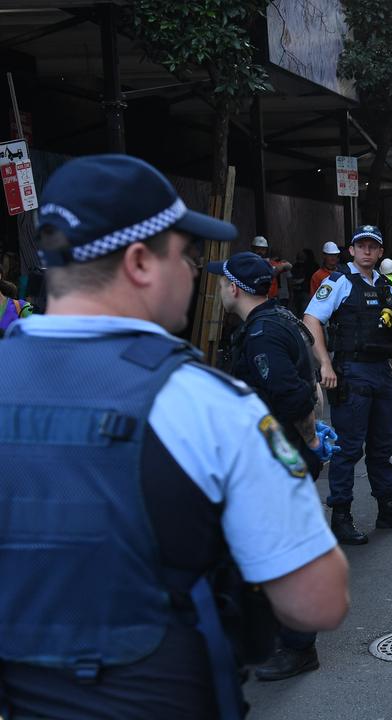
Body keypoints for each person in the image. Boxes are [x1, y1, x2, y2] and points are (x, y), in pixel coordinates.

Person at [0, 154, 349, 719]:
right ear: (140, 262)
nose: (193, 272)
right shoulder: (209, 406)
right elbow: (320, 600)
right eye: (184, 254)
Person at [213, 250, 337, 682]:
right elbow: (308, 388)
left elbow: (293, 396)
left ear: (234, 288)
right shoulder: (279, 319)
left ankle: (300, 647)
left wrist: (303, 442)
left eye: (222, 282)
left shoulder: (263, 332)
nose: (218, 289)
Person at [304, 225, 392, 545]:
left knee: (382, 446)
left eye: (373, 246)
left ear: (381, 252)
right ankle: (341, 517)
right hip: (352, 371)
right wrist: (325, 364)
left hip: (382, 372)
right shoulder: (339, 282)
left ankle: (388, 508)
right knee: (348, 448)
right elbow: (311, 319)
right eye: (362, 246)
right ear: (352, 250)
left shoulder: (386, 286)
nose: (367, 251)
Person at [250, 235, 291, 302]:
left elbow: (289, 266)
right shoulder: (248, 261)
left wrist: (280, 266)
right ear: (253, 249)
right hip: (255, 298)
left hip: (271, 298)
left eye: (263, 249)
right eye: (257, 249)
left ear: (266, 250)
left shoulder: (270, 262)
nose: (260, 251)